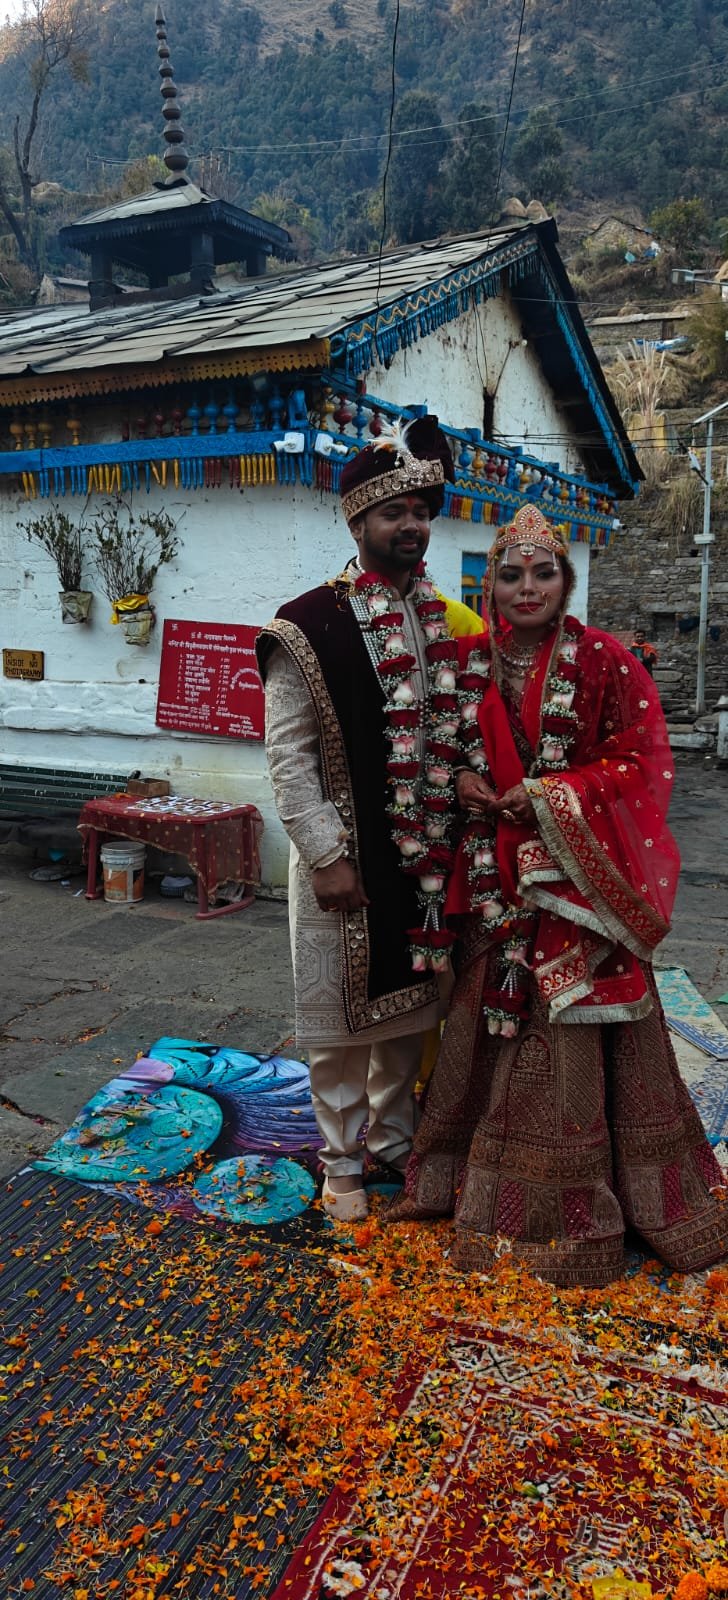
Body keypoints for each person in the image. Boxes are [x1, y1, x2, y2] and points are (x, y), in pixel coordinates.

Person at [387, 504, 728, 1287]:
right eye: (511, 575)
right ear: (492, 585)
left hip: (573, 887)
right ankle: (463, 1181)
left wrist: (550, 795)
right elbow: (435, 749)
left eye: (543, 573)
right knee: (485, 1020)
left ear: (565, 581)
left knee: (571, 1029)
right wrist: (462, 780)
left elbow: (640, 761)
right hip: (492, 877)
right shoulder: (466, 660)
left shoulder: (604, 660)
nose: (527, 588)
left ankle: (582, 1205)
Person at [256, 416, 481, 1223]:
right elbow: (288, 757)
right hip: (343, 852)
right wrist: (325, 855)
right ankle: (340, 1161)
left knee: (409, 1009)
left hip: (421, 855)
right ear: (357, 523)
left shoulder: (440, 619)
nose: (411, 525)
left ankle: (392, 1138)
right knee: (339, 1026)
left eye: (421, 511)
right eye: (394, 512)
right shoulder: (306, 624)